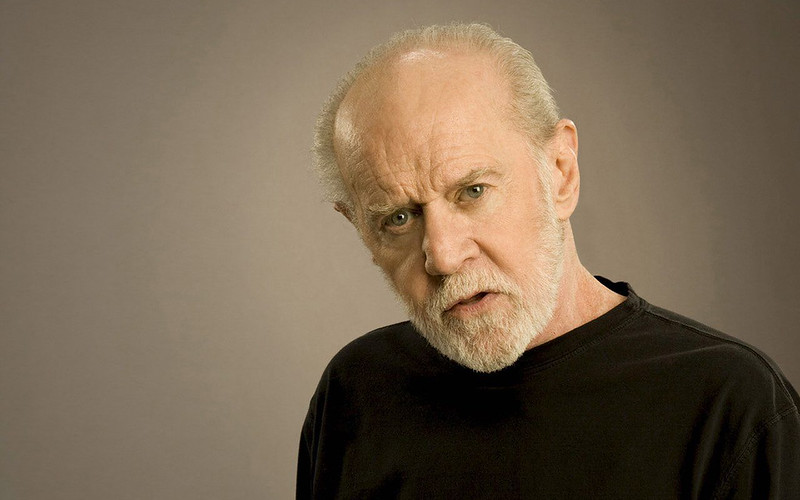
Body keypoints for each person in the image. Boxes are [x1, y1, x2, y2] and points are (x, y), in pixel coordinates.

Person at [297, 23, 800, 498]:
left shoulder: (730, 405)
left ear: (560, 172)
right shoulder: (357, 390)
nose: (445, 257)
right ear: (359, 229)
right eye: (398, 219)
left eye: (472, 191)